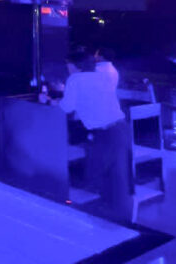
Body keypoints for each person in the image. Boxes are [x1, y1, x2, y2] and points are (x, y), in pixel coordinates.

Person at [49, 49, 132, 223]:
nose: (67, 68)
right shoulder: (100, 76)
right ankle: (117, 219)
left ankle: (106, 218)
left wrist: (51, 101)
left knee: (98, 174)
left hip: (106, 134)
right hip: (121, 129)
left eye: (68, 64)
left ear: (75, 65)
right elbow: (91, 100)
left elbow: (66, 108)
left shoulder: (75, 79)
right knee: (115, 177)